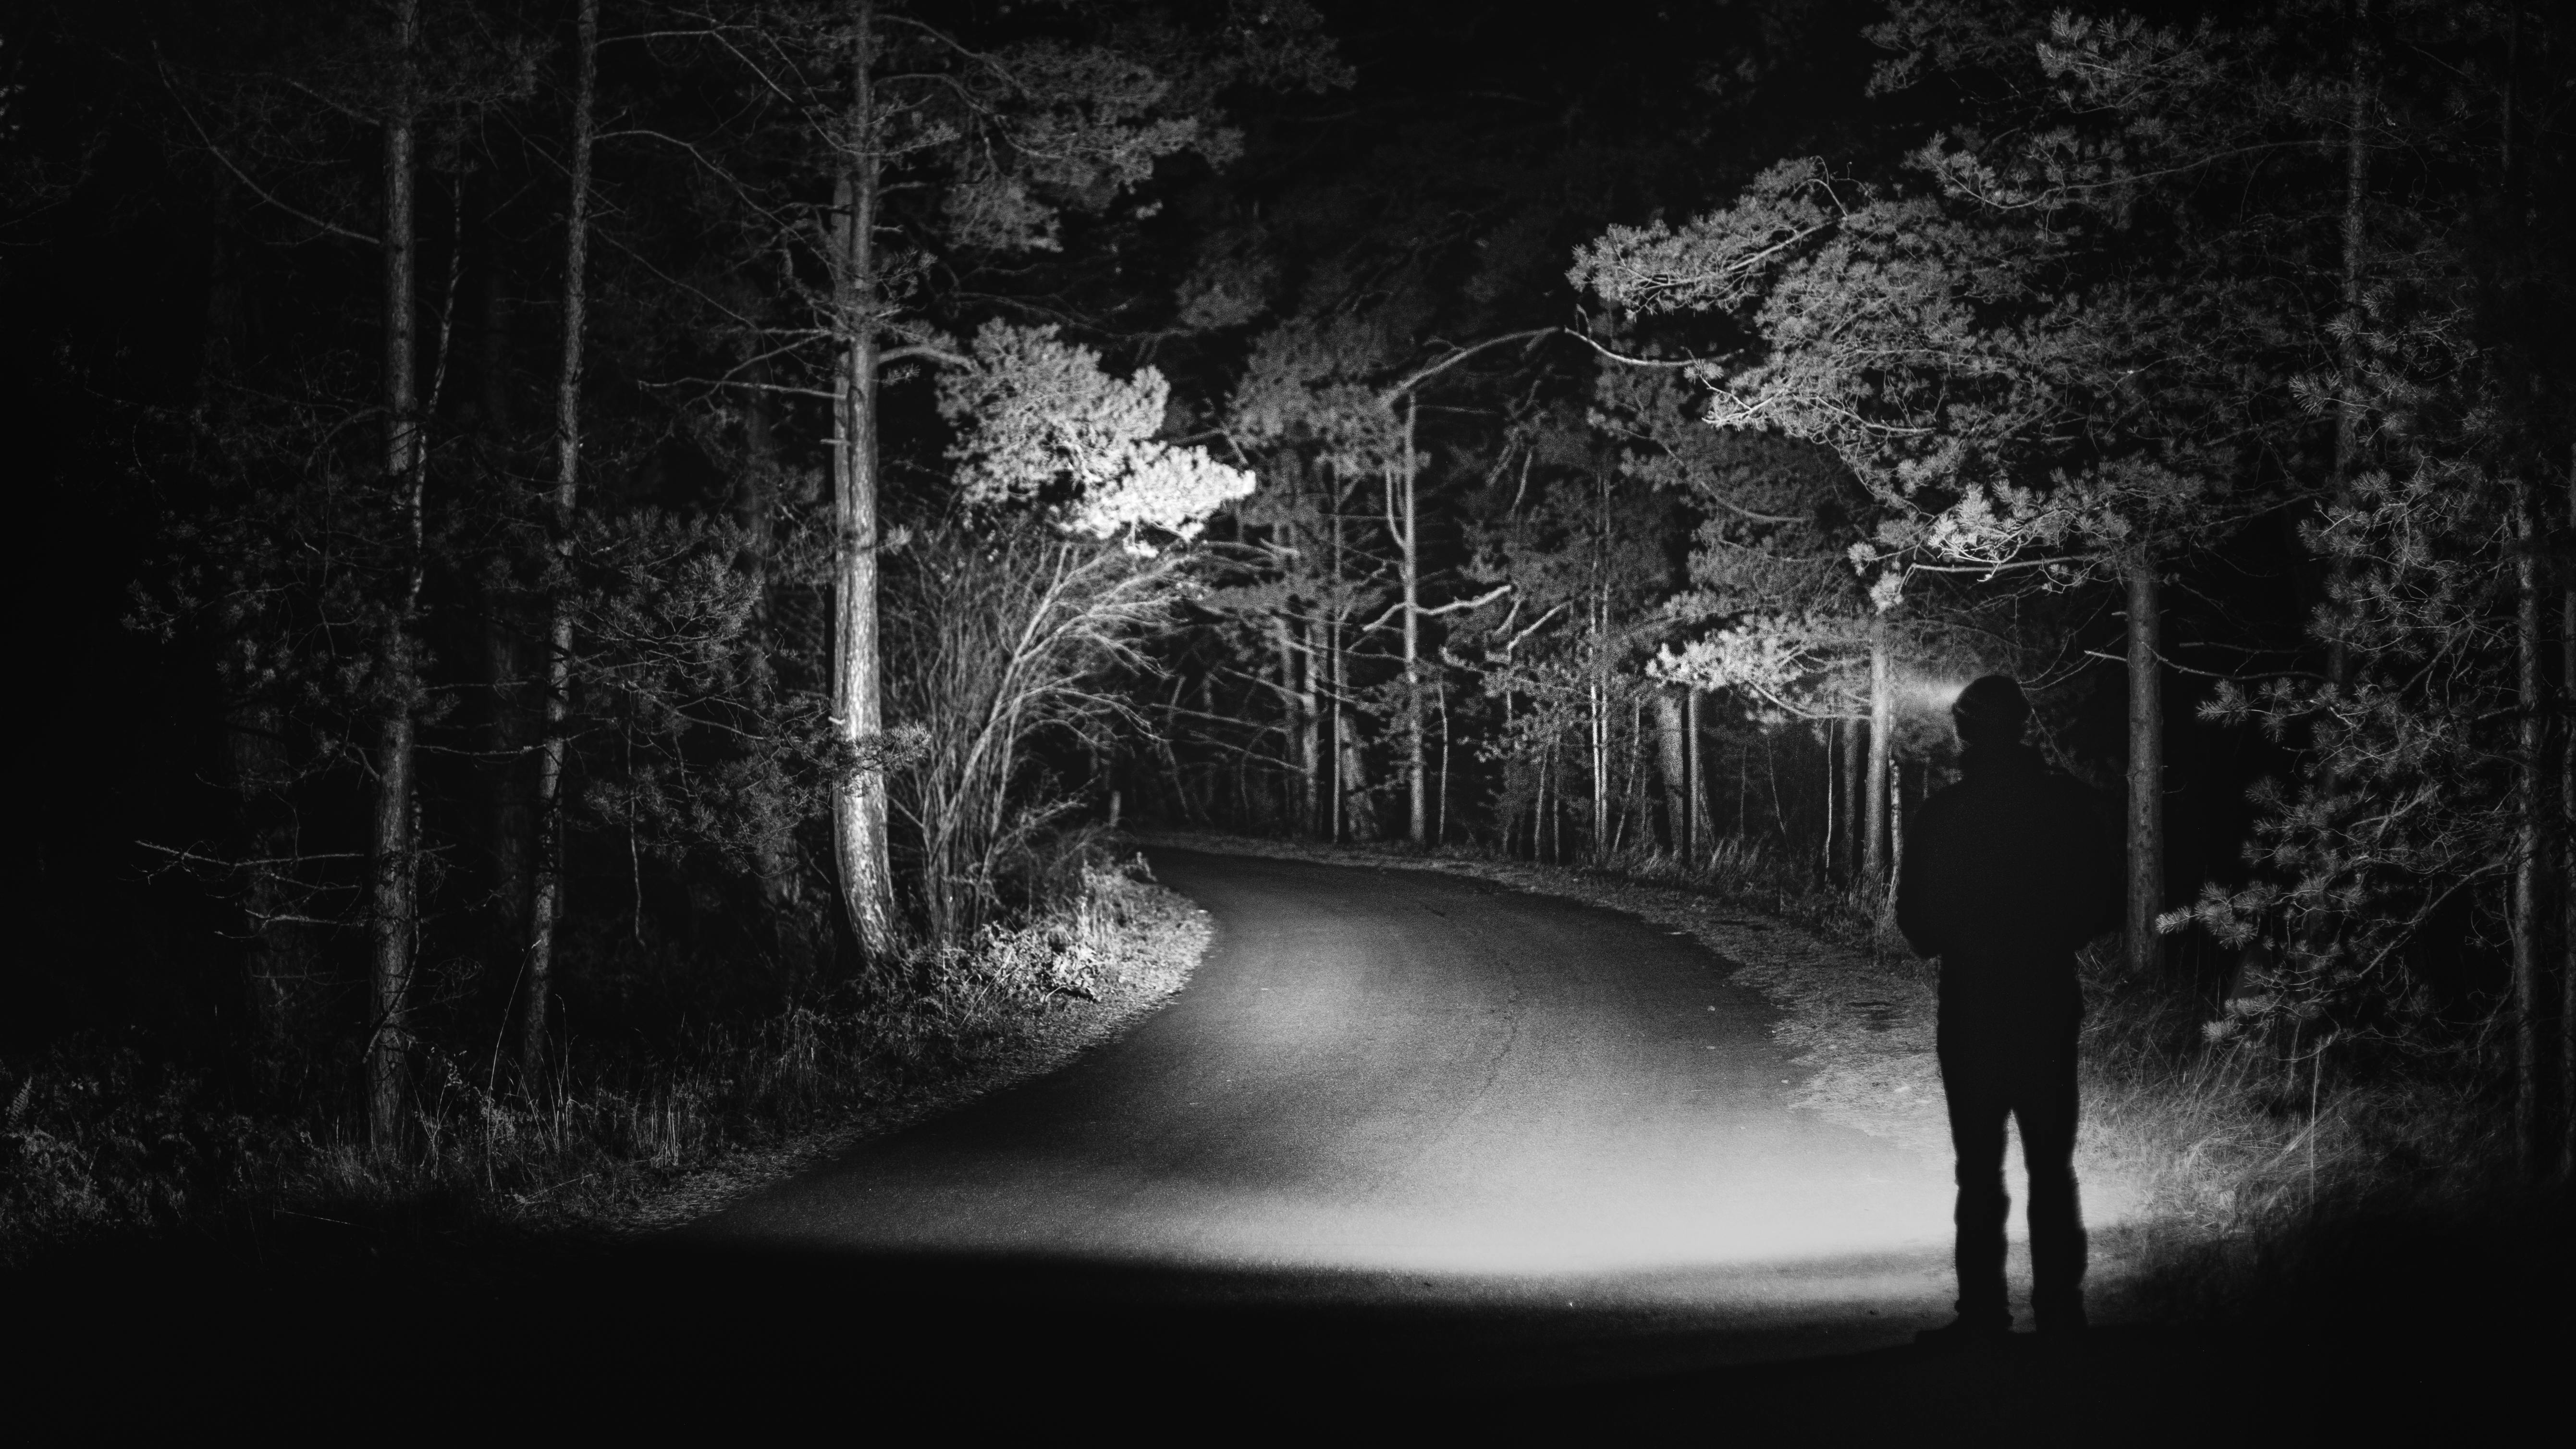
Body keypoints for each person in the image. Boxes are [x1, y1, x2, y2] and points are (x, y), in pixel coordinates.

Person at [1895, 674, 2120, 1346]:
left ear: (1963, 733)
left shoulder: (1942, 816)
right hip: (2046, 999)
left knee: (1978, 1168)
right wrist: (2049, 933)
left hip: (1971, 1007)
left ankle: (1983, 1319)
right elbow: (2101, 904)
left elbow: (1917, 928)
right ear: (2022, 725)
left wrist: (1967, 932)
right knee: (2050, 1165)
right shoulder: (2066, 807)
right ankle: (2059, 1313)